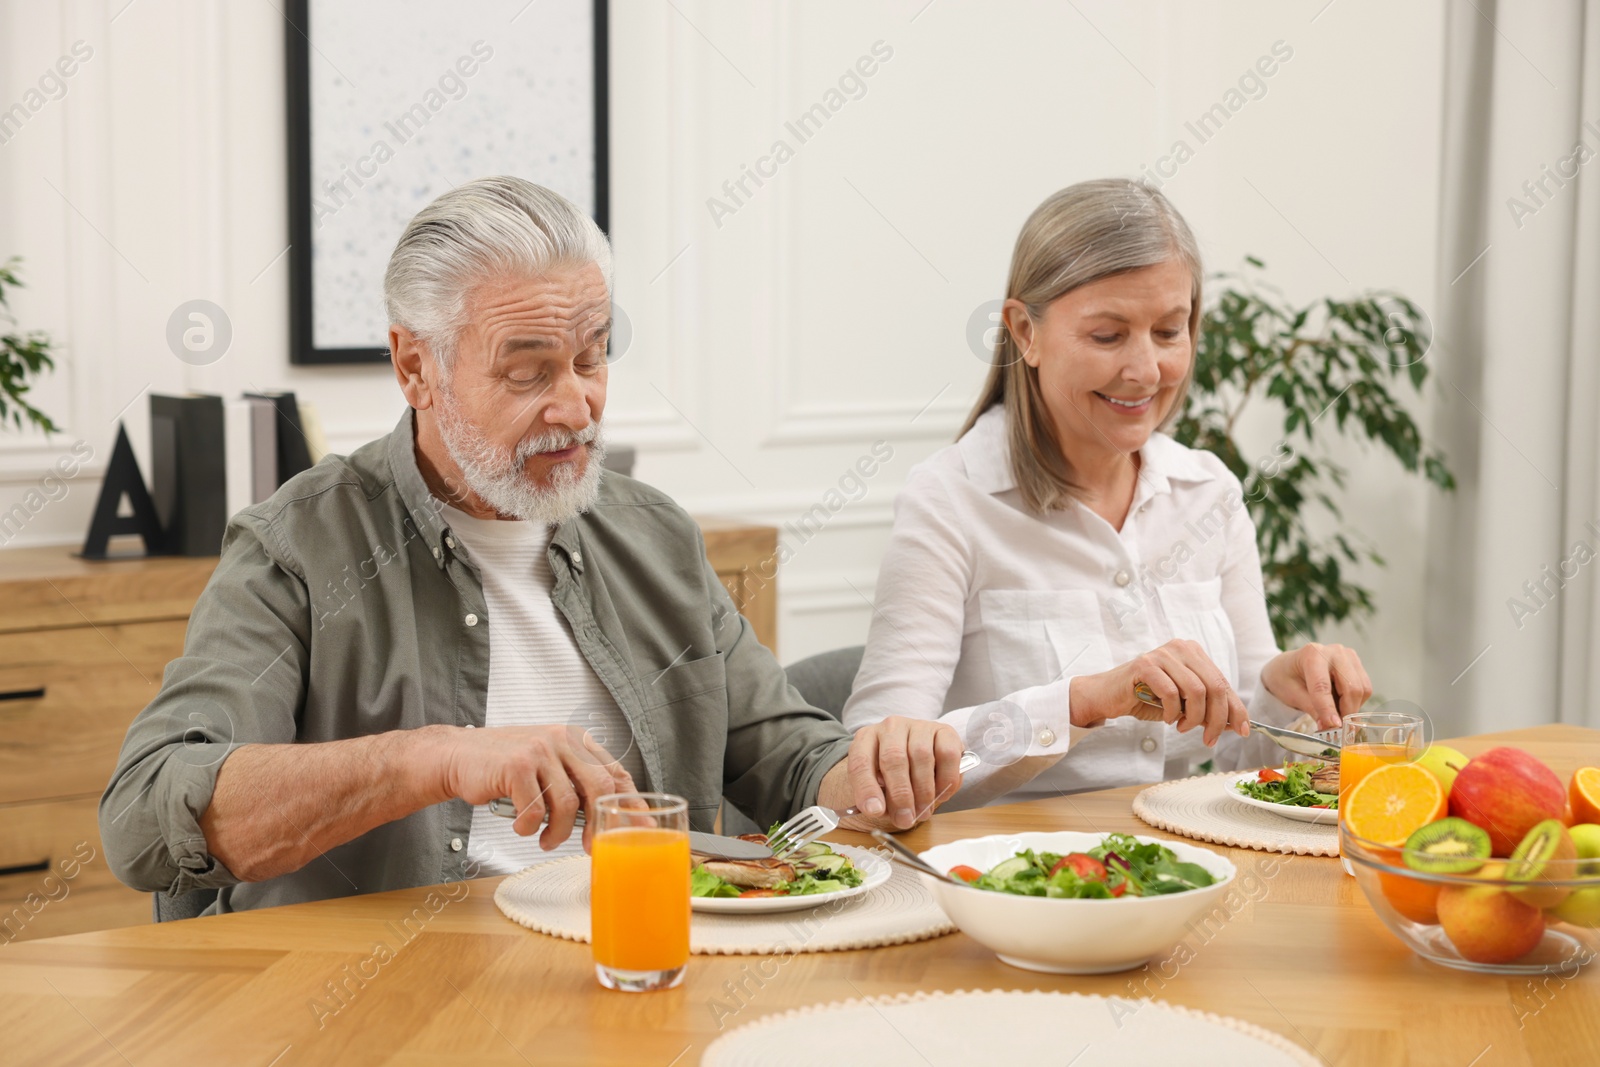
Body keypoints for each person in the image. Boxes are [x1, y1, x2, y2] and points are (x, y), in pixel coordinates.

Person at [101, 177, 962, 913]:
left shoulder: (652, 532)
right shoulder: (297, 545)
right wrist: (432, 758)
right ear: (415, 368)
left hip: (643, 960)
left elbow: (791, 759)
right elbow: (144, 816)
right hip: (393, 1001)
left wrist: (873, 772)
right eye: (527, 371)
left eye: (592, 358)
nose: (576, 405)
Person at [841, 179, 1372, 808]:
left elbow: (1240, 760)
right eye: (1107, 336)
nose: (1146, 371)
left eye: (1170, 332)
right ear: (1024, 332)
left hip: (1196, 869)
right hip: (1010, 886)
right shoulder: (950, 502)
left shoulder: (1209, 493)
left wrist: (1283, 692)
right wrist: (1079, 704)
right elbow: (872, 774)